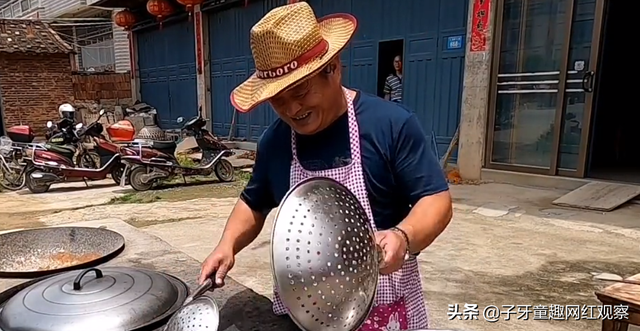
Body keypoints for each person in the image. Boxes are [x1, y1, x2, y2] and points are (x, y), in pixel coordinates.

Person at [199, 2, 452, 330]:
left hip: (384, 311)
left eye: (300, 90)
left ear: (333, 68)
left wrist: (404, 236)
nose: (292, 108)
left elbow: (436, 201)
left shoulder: (390, 125)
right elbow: (254, 201)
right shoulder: (275, 142)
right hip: (306, 315)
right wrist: (227, 244)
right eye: (278, 98)